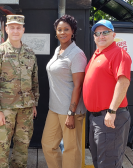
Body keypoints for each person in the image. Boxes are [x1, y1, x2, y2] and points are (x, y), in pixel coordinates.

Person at [0, 15, 39, 168]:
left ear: (23, 30)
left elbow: (34, 81)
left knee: (22, 148)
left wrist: (34, 103)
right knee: (1, 150)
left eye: (18, 27)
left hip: (26, 109)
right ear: (6, 29)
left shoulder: (29, 52)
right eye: (12, 27)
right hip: (4, 109)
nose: (15, 30)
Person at [83, 20, 132, 168]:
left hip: (110, 117)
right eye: (97, 33)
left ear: (113, 34)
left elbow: (123, 82)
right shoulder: (97, 54)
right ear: (94, 37)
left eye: (105, 32)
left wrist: (111, 111)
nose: (101, 36)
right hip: (96, 118)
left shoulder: (118, 53)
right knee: (100, 161)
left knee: (108, 163)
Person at [41, 14, 87, 168]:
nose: (62, 32)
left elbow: (78, 86)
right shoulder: (58, 50)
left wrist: (71, 114)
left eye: (66, 29)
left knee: (71, 150)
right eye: (59, 29)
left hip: (70, 110)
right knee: (48, 144)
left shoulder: (77, 54)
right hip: (54, 108)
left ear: (72, 31)